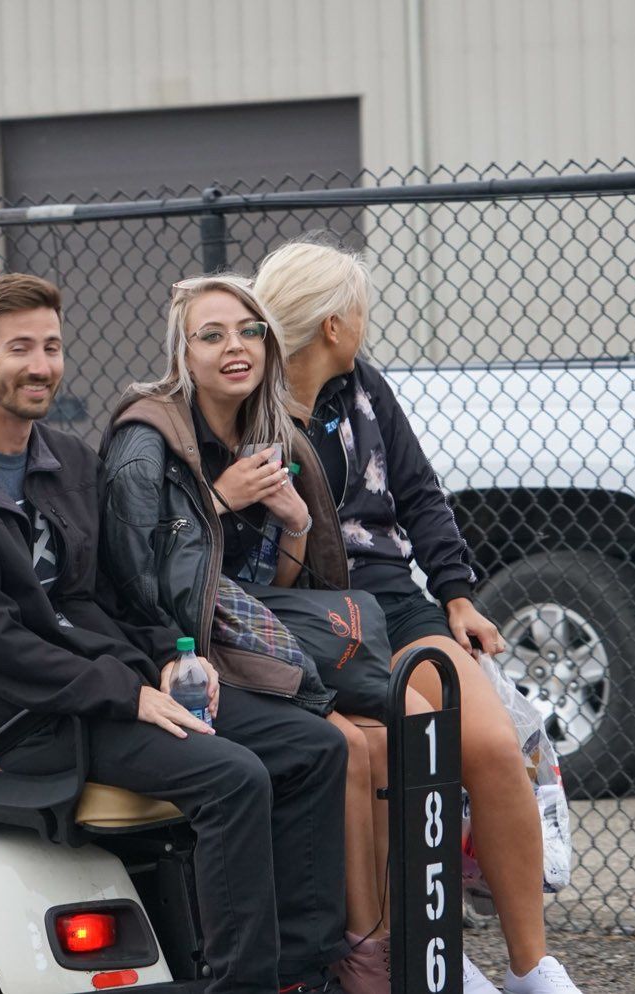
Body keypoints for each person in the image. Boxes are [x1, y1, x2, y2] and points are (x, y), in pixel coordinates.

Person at [0, 273, 351, 994]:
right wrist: (128, 692)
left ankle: (303, 971)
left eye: (51, 346)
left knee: (313, 748)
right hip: (33, 717)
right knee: (232, 778)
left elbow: (117, 593)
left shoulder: (70, 462)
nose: (41, 364)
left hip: (116, 686)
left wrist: (162, 666)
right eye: (20, 348)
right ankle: (245, 984)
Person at [255, 239, 585, 994]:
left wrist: (458, 596)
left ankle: (533, 969)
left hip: (398, 602)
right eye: (360, 308)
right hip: (314, 618)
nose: (367, 321)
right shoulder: (253, 413)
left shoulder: (366, 387)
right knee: (407, 753)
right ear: (333, 324)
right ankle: (433, 957)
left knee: (495, 750)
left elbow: (421, 492)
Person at [100, 273, 389, 994]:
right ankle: (291, 967)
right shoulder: (147, 448)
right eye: (212, 335)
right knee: (319, 747)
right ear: (183, 356)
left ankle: (320, 960)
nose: (236, 347)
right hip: (178, 656)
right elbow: (140, 587)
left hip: (245, 641)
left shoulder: (271, 435)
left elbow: (277, 590)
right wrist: (216, 504)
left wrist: (294, 523)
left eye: (248, 331)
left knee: (358, 739)